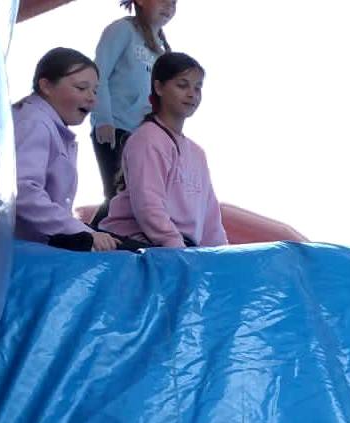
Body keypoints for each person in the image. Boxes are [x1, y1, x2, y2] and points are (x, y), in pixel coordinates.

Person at [99, 52, 228, 249]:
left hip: (179, 249)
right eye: (182, 85)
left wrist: (220, 256)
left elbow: (211, 218)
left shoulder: (197, 153)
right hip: (140, 247)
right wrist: (176, 249)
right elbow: (148, 206)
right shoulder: (147, 139)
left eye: (198, 87)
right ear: (159, 87)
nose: (192, 94)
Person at [12, 47, 125, 252]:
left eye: (95, 91)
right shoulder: (35, 123)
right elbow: (23, 190)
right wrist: (79, 231)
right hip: (23, 249)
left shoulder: (47, 125)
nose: (92, 98)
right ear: (46, 86)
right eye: (81, 88)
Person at [90, 0, 176, 202]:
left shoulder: (163, 48)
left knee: (139, 197)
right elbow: (98, 74)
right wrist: (103, 119)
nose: (169, 6)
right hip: (116, 128)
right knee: (119, 196)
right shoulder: (123, 30)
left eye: (174, 2)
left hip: (145, 134)